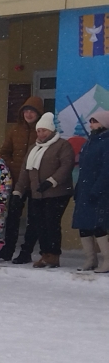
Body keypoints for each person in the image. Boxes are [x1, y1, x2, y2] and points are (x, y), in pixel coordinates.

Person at [12, 112, 75, 268]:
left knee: (51, 223)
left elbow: (66, 166)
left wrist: (51, 181)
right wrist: (18, 192)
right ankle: (45, 254)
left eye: (44, 130)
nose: (41, 134)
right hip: (37, 193)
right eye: (39, 131)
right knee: (40, 225)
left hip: (57, 193)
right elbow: (25, 172)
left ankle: (53, 255)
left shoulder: (62, 145)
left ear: (51, 130)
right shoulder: (34, 148)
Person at [0, 97, 43, 262]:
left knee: (33, 218)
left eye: (32, 111)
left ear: (39, 114)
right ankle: (7, 249)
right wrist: (13, 166)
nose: (29, 114)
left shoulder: (42, 131)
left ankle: (26, 252)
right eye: (26, 111)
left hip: (36, 182)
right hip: (17, 181)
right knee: (12, 216)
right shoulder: (15, 130)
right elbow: (4, 152)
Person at [72, 110, 109, 272]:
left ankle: (107, 260)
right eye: (91, 121)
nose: (91, 124)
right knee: (84, 226)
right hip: (84, 190)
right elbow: (83, 169)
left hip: (99, 192)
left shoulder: (106, 143)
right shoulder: (88, 143)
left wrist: (97, 190)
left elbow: (106, 171)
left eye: (95, 121)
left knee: (98, 226)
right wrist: (79, 188)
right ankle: (90, 259)